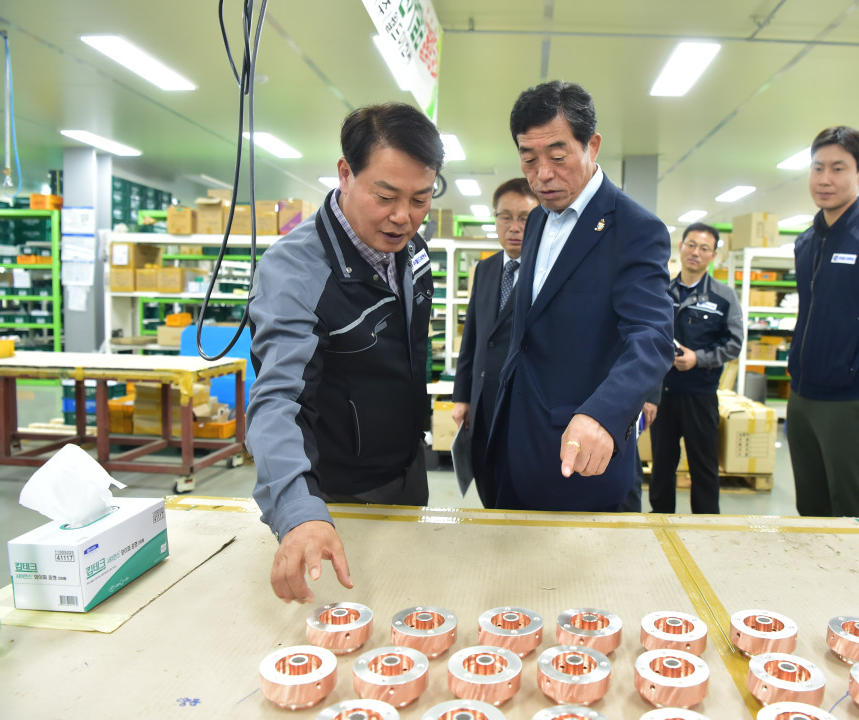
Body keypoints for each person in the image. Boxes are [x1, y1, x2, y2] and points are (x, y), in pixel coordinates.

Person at [246, 102, 443, 603]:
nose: (404, 217)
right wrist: (300, 512)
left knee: (410, 604)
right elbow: (277, 403)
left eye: (421, 198)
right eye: (386, 195)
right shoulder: (295, 272)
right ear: (345, 174)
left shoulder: (413, 253)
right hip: (336, 496)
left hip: (406, 470)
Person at [486, 80, 674, 512]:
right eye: (528, 159)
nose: (542, 175)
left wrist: (604, 414)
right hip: (517, 436)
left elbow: (652, 336)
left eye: (557, 156)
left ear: (593, 145)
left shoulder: (634, 228)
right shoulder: (536, 223)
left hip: (582, 447)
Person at [785, 126, 859, 518]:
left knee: (853, 511)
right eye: (817, 168)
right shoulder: (806, 242)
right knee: (811, 509)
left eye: (838, 168)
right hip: (802, 397)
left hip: (853, 401)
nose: (825, 179)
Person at [451, 178, 538, 507]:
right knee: (486, 478)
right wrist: (462, 396)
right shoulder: (486, 269)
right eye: (505, 217)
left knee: (517, 485)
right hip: (482, 402)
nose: (514, 227)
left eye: (525, 218)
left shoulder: (547, 273)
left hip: (522, 403)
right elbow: (472, 337)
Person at [649, 223, 743, 514]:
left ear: (713, 256)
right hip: (662, 394)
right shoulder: (661, 291)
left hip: (700, 394)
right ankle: (659, 520)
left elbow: (735, 343)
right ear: (680, 247)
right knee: (662, 462)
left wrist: (698, 358)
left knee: (704, 464)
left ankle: (707, 524)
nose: (695, 252)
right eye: (691, 245)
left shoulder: (723, 296)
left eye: (704, 248)